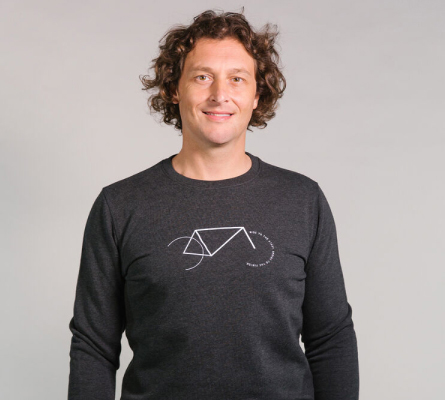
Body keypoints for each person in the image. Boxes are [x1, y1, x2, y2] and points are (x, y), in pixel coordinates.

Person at [68, 9, 359, 400]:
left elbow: (331, 338)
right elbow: (93, 347)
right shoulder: (119, 206)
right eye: (202, 77)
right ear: (174, 89)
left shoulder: (302, 200)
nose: (220, 94)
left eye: (237, 79)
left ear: (256, 95)